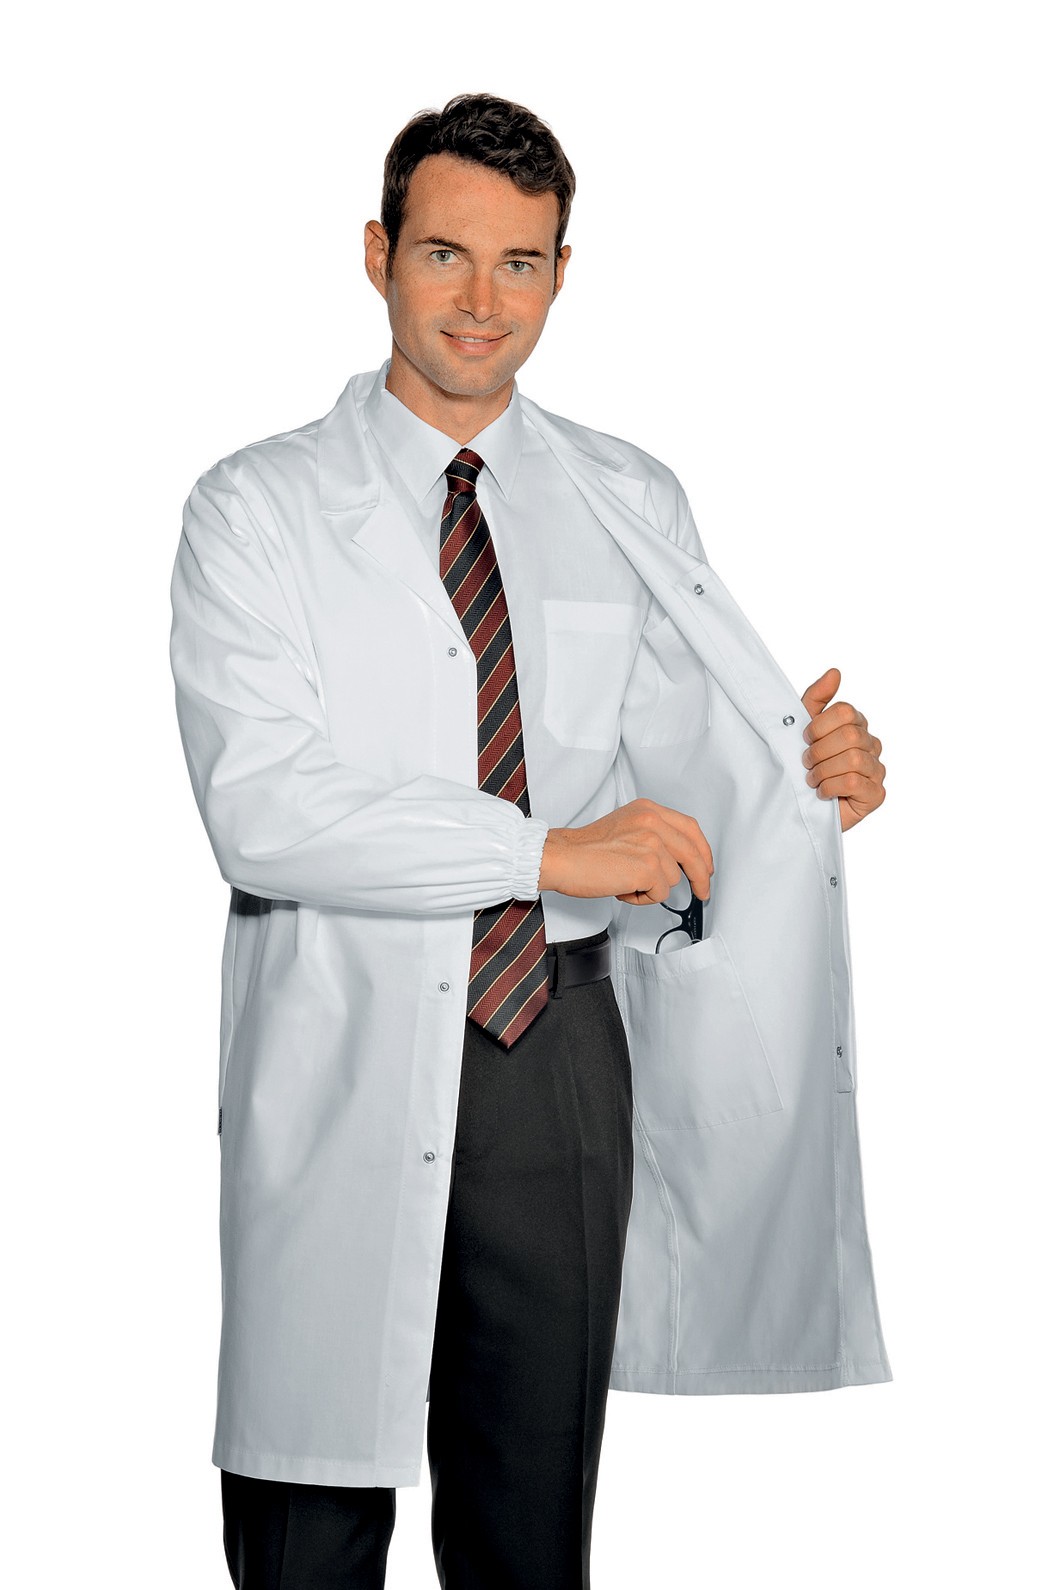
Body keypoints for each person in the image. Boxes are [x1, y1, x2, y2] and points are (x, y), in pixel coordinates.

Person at [169, 91, 891, 1590]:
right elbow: (265, 812)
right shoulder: (256, 509)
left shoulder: (627, 498)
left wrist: (812, 776)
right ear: (378, 254)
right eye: (445, 253)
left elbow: (688, 786)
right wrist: (546, 852)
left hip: (552, 1054)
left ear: (564, 272)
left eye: (520, 262)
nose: (481, 300)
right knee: (308, 1527)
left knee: (531, 1521)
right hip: (344, 1031)